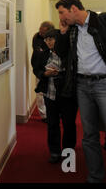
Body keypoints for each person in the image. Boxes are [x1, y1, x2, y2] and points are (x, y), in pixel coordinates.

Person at [55, 0, 106, 183]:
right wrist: (62, 33)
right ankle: (95, 177)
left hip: (105, 84)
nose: (61, 17)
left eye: (62, 12)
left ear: (73, 9)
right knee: (89, 134)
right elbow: (62, 54)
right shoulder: (71, 30)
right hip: (82, 86)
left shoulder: (102, 21)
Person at [33, 29, 77, 163]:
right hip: (50, 94)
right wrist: (44, 74)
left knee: (69, 125)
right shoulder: (43, 54)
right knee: (52, 124)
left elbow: (75, 71)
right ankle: (55, 152)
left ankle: (68, 153)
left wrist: (61, 72)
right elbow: (37, 69)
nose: (48, 42)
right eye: (46, 40)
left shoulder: (68, 54)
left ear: (58, 40)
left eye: (51, 39)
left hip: (67, 95)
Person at [31, 21, 55, 122]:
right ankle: (44, 115)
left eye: (43, 32)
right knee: (40, 93)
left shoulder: (55, 38)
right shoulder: (36, 37)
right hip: (39, 69)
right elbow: (37, 52)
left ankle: (54, 112)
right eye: (40, 30)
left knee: (52, 93)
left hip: (52, 70)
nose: (40, 33)